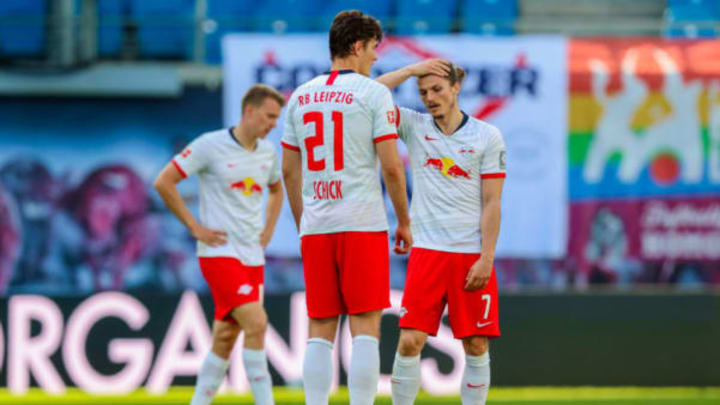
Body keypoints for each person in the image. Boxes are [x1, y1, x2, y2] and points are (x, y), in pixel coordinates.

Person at [281, 10, 413, 405]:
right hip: (362, 223)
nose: (376, 58)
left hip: (318, 225)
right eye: (373, 49)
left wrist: (305, 222)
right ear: (357, 46)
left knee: (319, 328)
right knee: (365, 329)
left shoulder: (300, 96)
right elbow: (391, 166)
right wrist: (404, 222)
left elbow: (289, 171)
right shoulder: (374, 93)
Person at [376, 60, 506, 405]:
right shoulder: (415, 125)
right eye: (423, 92)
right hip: (428, 253)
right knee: (409, 342)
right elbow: (372, 95)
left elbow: (492, 202)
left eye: (436, 89)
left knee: (476, 344)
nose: (430, 98)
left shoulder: (486, 136)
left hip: (470, 256)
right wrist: (410, 71)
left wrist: (486, 257)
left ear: (455, 88)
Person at [153, 84, 285, 405]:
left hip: (252, 256)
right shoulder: (210, 146)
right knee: (257, 322)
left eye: (276, 119)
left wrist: (268, 230)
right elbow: (164, 181)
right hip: (219, 253)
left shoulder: (267, 152)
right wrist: (194, 226)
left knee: (226, 337)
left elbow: (277, 189)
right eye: (269, 117)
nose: (272, 125)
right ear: (249, 111)